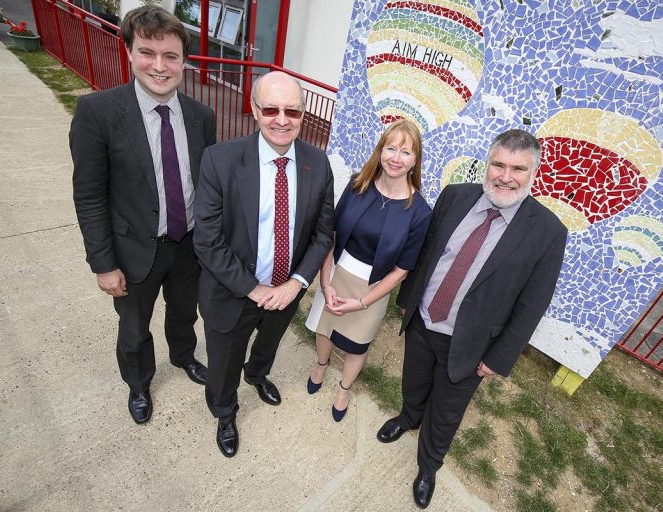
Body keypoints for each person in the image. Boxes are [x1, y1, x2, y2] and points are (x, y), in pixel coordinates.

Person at [376, 129, 568, 509]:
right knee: (413, 382)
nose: (505, 176)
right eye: (498, 164)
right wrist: (408, 300)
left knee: (447, 411)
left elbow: (532, 305)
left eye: (518, 168)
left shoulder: (548, 232)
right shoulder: (455, 196)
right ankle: (408, 417)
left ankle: (428, 466)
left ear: (533, 173)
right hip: (423, 322)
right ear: (487, 163)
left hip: (471, 344)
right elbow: (427, 252)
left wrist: (498, 358)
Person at [70, 6, 216, 425]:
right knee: (134, 327)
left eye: (171, 56)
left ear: (184, 61)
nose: (159, 66)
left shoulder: (201, 116)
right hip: (133, 250)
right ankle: (138, 382)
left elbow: (207, 184)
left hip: (188, 245)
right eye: (148, 53)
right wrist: (103, 264)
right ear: (130, 53)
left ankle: (184, 356)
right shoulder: (97, 113)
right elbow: (89, 196)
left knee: (185, 313)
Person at [193, 71, 334, 457]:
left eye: (292, 110)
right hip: (233, 293)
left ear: (303, 114)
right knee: (223, 365)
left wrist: (296, 283)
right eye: (271, 109)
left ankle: (256, 375)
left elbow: (323, 234)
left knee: (268, 345)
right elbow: (207, 241)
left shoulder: (318, 163)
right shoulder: (219, 161)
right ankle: (225, 412)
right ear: (255, 110)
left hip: (286, 291)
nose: (282, 119)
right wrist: (254, 290)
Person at [304, 119, 431, 422]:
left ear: (415, 160)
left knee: (357, 344)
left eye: (406, 152)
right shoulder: (357, 184)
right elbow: (332, 236)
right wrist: (326, 283)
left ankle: (344, 388)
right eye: (391, 148)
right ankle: (321, 365)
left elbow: (402, 270)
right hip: (335, 273)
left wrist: (362, 302)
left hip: (373, 290)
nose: (396, 158)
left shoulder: (420, 212)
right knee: (325, 327)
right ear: (380, 150)